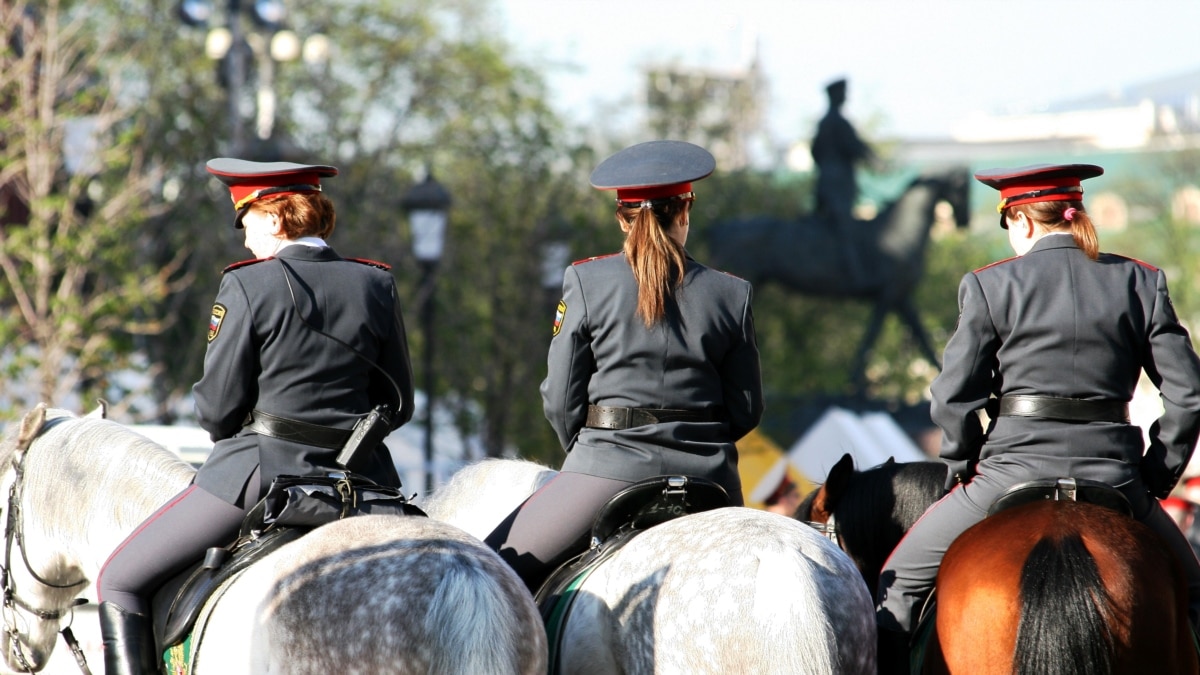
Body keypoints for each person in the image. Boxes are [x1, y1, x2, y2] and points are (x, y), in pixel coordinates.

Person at [875, 163, 1200, 669]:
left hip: (1008, 475)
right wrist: (1156, 473)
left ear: (1021, 220)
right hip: (1114, 477)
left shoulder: (989, 285)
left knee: (897, 589)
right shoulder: (1141, 280)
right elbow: (1189, 394)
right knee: (1194, 597)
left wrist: (963, 465)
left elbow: (953, 397)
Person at [95, 158, 415, 673]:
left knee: (118, 579)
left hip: (260, 473)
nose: (244, 240)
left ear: (273, 217)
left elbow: (218, 408)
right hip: (364, 479)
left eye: (245, 221)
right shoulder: (376, 283)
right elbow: (398, 402)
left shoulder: (248, 284)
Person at [484, 140, 764, 593]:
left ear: (621, 217)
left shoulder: (587, 280)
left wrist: (589, 453)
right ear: (685, 212)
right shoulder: (732, 293)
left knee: (485, 577)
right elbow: (747, 410)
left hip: (607, 465)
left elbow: (560, 399)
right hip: (710, 480)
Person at [811, 78, 874, 229]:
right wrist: (873, 159)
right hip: (839, 181)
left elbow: (815, 151)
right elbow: (854, 147)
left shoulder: (825, 122)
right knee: (842, 225)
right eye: (843, 93)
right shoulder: (838, 122)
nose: (845, 97)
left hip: (826, 178)